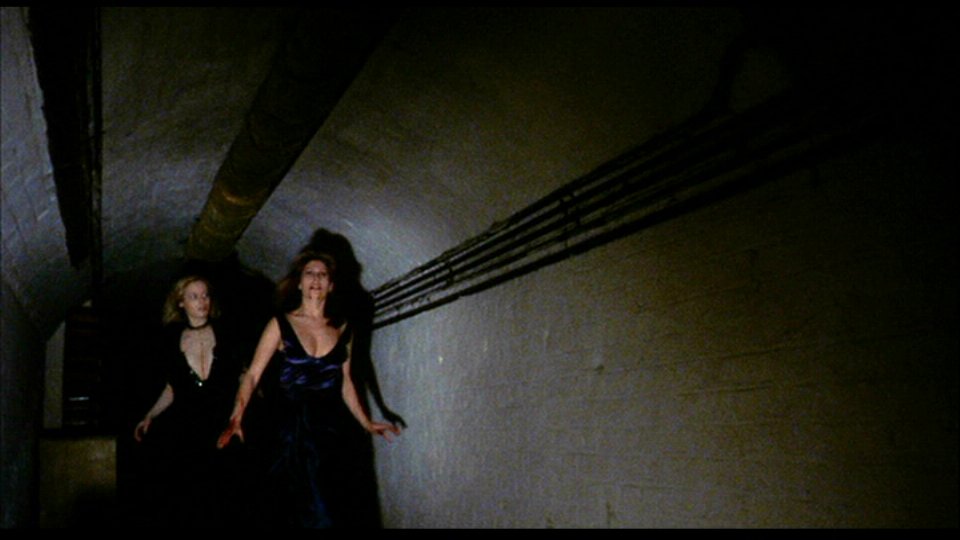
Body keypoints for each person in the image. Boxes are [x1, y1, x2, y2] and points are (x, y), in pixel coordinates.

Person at [217, 250, 402, 528]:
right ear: (299, 283)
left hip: (330, 432)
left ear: (331, 285)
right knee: (286, 506)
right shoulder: (280, 324)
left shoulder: (343, 329)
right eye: (309, 273)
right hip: (287, 431)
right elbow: (253, 375)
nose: (316, 279)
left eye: (322, 274)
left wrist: (366, 422)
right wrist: (237, 416)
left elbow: (347, 382)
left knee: (331, 505)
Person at [132, 275, 245, 527]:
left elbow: (243, 378)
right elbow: (172, 388)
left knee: (228, 496)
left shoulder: (227, 333)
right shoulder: (171, 340)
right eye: (194, 296)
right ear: (181, 302)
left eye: (205, 295)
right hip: (189, 430)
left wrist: (238, 416)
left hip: (224, 424)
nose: (202, 301)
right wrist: (150, 415)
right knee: (191, 498)